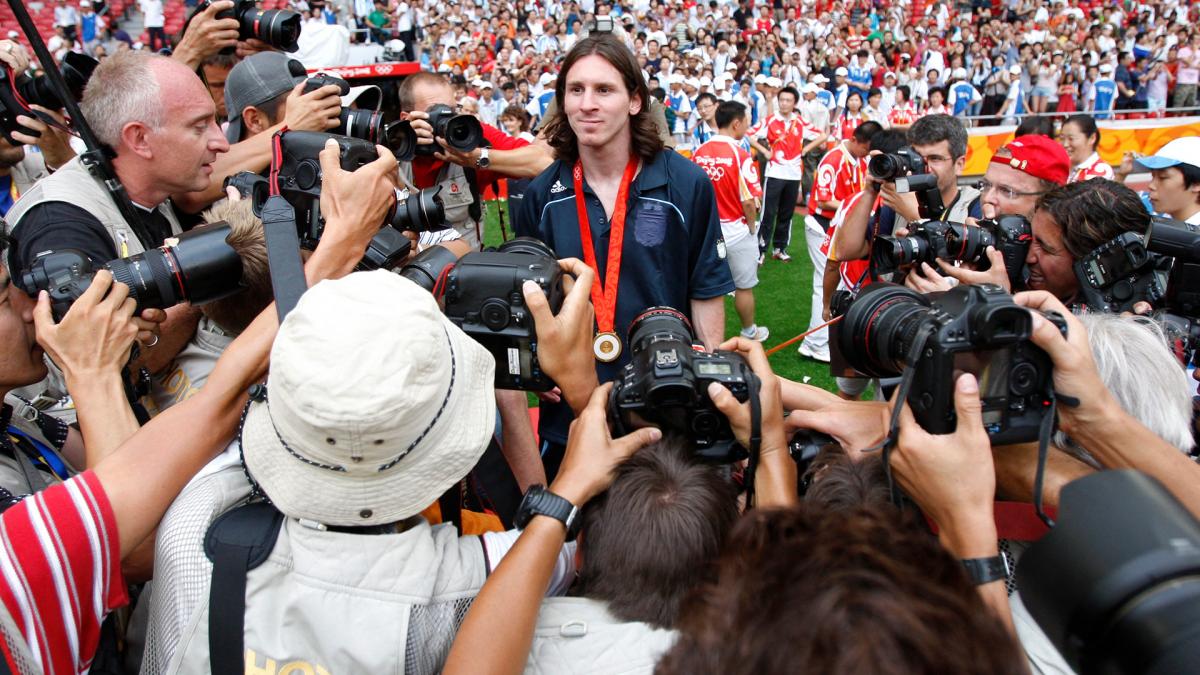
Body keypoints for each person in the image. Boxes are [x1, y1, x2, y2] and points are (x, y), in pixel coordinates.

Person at [0, 135, 400, 675]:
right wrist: (92, 373)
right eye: (7, 298)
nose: (33, 309)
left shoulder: (20, 418)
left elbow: (197, 415)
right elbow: (135, 544)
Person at [515, 34, 733, 481]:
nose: (587, 104)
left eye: (604, 90)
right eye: (575, 90)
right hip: (573, 412)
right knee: (581, 544)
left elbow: (705, 289)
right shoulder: (541, 195)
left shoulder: (686, 182)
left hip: (667, 400)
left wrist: (709, 380)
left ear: (635, 101)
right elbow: (530, 299)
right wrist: (539, 369)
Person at [6, 51, 227, 382]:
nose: (221, 142)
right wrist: (210, 279)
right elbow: (92, 373)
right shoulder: (59, 227)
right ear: (139, 139)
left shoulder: (150, 191)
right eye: (199, 127)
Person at [398, 71, 551, 250]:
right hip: (403, 274)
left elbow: (541, 161)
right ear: (407, 118)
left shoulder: (470, 136)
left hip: (462, 271)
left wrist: (477, 158)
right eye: (435, 113)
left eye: (451, 112)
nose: (445, 122)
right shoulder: (390, 152)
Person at [798, 120, 880, 363]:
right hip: (822, 225)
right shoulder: (833, 159)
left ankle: (819, 340)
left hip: (839, 227)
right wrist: (853, 207)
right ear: (855, 140)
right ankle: (814, 343)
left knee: (835, 281)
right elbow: (822, 200)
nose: (867, 155)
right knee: (824, 281)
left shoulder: (860, 159)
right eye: (866, 149)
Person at [693, 100, 769, 342]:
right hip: (736, 230)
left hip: (706, 231)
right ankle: (748, 331)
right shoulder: (741, 154)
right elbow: (749, 201)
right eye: (746, 121)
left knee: (707, 288)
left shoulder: (699, 152)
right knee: (743, 287)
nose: (747, 126)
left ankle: (705, 338)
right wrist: (751, 227)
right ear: (736, 123)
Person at [749, 85, 825, 263]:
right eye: (781, 100)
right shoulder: (770, 120)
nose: (784, 103)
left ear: (794, 103)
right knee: (768, 212)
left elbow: (822, 135)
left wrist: (805, 149)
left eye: (788, 100)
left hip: (793, 174)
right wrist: (763, 150)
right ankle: (760, 249)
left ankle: (780, 248)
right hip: (774, 172)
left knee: (787, 213)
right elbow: (749, 134)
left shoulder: (799, 121)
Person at [1135, 137, 1200, 224]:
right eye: (1152, 176)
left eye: (1163, 177)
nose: (1151, 185)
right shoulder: (1162, 227)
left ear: (1197, 184)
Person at [1060, 114, 1114, 183]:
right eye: (1062, 138)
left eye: (1071, 139)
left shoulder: (1100, 170)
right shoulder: (1063, 167)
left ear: (1092, 138)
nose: (1065, 144)